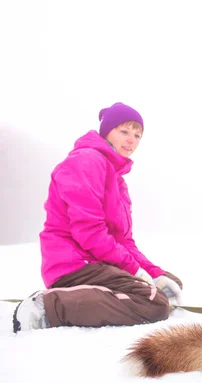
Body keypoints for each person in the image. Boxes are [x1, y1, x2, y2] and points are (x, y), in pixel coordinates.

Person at [13, 102, 183, 333]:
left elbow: (123, 241)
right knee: (154, 303)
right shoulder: (86, 161)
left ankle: (111, 295)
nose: (131, 140)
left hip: (97, 261)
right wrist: (136, 271)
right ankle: (46, 307)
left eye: (137, 135)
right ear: (106, 132)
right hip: (73, 264)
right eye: (124, 131)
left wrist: (154, 273)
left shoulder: (116, 178)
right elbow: (90, 233)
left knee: (165, 285)